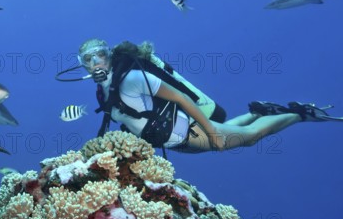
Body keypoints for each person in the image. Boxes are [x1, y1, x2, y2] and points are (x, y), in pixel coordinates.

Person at [76, 39, 341, 152]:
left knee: (247, 139)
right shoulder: (104, 92)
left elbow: (181, 98)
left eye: (100, 55)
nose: (96, 63)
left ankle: (298, 113)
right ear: (84, 65)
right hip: (172, 140)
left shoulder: (132, 79)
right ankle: (258, 113)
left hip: (186, 131)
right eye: (88, 59)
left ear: (109, 55)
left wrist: (212, 135)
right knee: (226, 130)